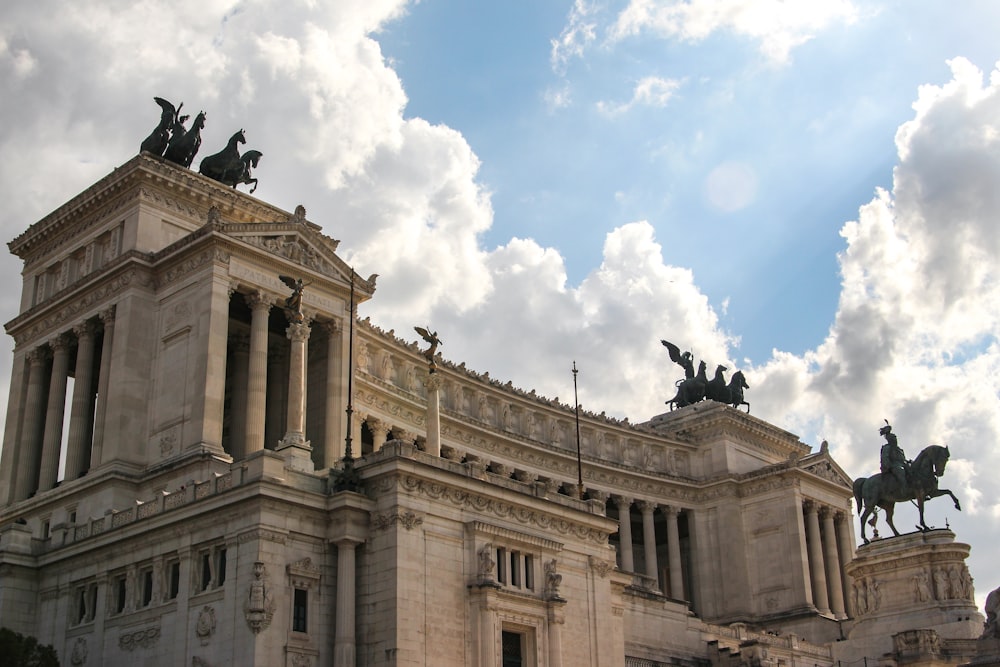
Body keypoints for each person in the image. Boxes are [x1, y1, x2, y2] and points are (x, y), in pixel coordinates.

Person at [880, 421, 909, 495]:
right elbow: (885, 458)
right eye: (893, 438)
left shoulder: (899, 449)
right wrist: (889, 466)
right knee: (900, 472)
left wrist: (907, 462)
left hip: (901, 465)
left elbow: (903, 459)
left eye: (895, 438)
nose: (895, 440)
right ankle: (904, 489)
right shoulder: (887, 448)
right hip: (893, 466)